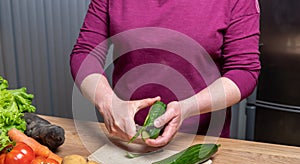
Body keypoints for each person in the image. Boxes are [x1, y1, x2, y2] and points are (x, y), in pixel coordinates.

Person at [70, 0, 261, 147]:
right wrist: (107, 101)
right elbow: (86, 53)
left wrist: (186, 108)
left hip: (199, 140)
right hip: (126, 135)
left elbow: (243, 71)